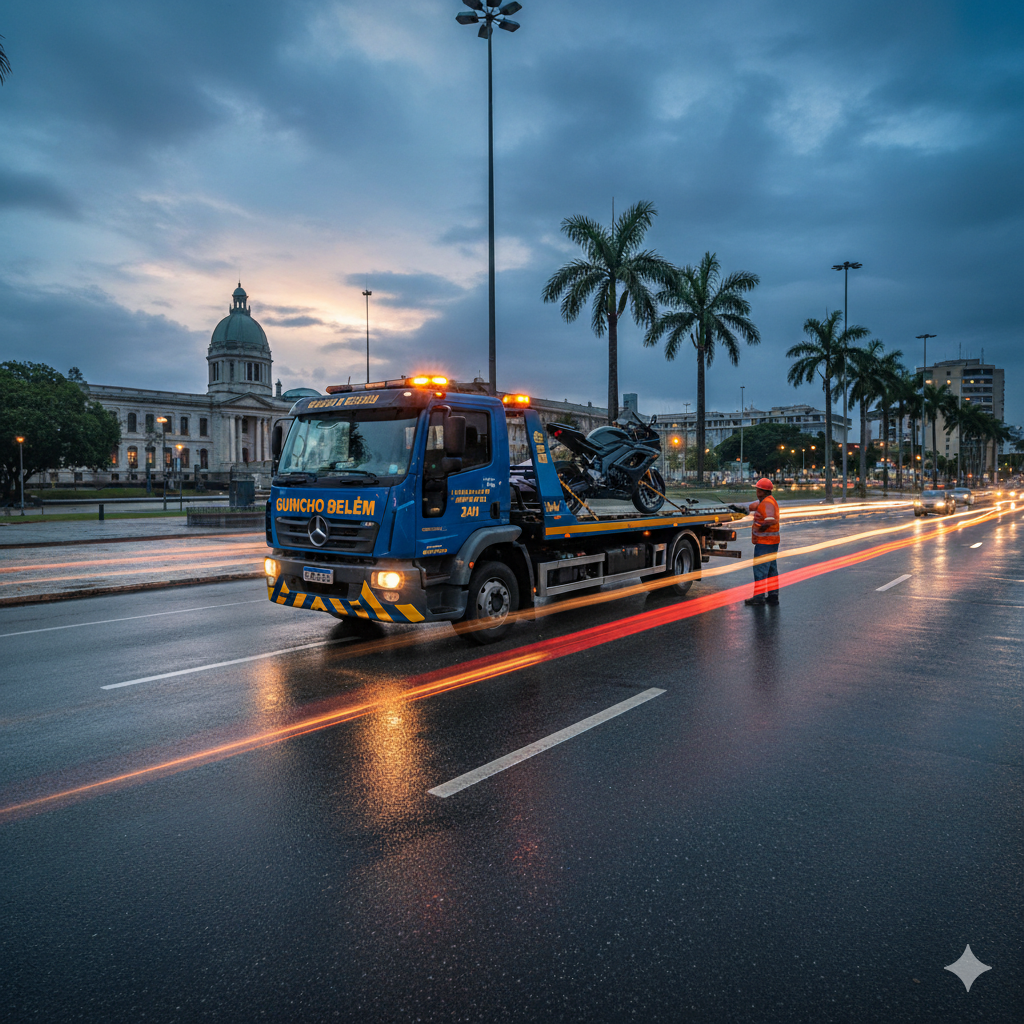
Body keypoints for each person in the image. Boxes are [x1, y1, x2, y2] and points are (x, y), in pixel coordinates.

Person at [730, 478, 780, 606]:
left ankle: (758, 598)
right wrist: (740, 508)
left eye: (758, 489)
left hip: (765, 542)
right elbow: (753, 506)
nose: (756, 491)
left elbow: (770, 520)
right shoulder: (766, 501)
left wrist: (760, 528)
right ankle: (773, 595)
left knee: (760, 570)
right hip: (771, 542)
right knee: (771, 569)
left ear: (762, 491)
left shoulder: (767, 503)